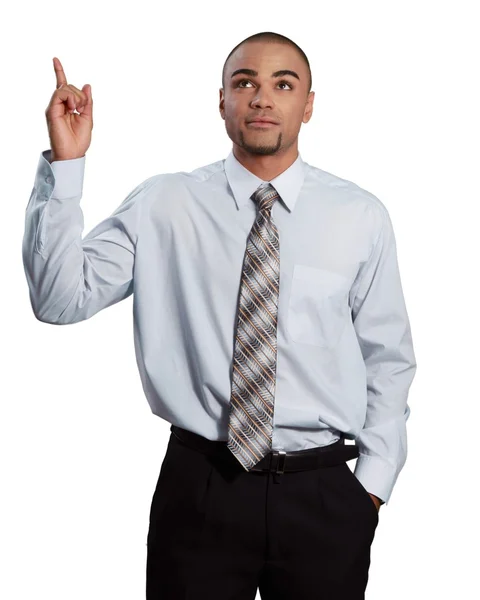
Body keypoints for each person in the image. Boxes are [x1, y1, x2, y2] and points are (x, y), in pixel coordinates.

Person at [23, 30, 417, 600]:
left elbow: (390, 358)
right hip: (201, 487)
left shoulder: (359, 216)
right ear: (222, 102)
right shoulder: (164, 202)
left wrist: (371, 489)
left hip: (324, 494)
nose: (262, 98)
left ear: (308, 104)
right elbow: (59, 300)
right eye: (245, 82)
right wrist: (67, 163)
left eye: (283, 84)